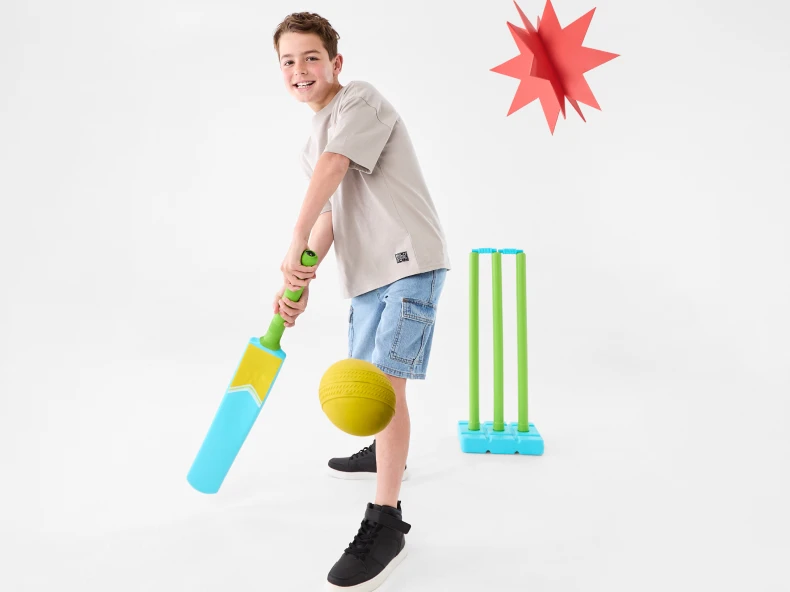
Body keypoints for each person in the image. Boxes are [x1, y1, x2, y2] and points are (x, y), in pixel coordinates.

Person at [271, 12, 451, 590]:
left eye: (311, 58)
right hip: (367, 274)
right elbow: (328, 215)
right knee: (372, 378)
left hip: (408, 260)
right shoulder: (310, 143)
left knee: (385, 384)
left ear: (336, 63)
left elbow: (336, 167)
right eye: (288, 61)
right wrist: (299, 277)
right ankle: (383, 451)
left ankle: (387, 520)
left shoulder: (359, 102)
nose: (300, 70)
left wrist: (293, 237)